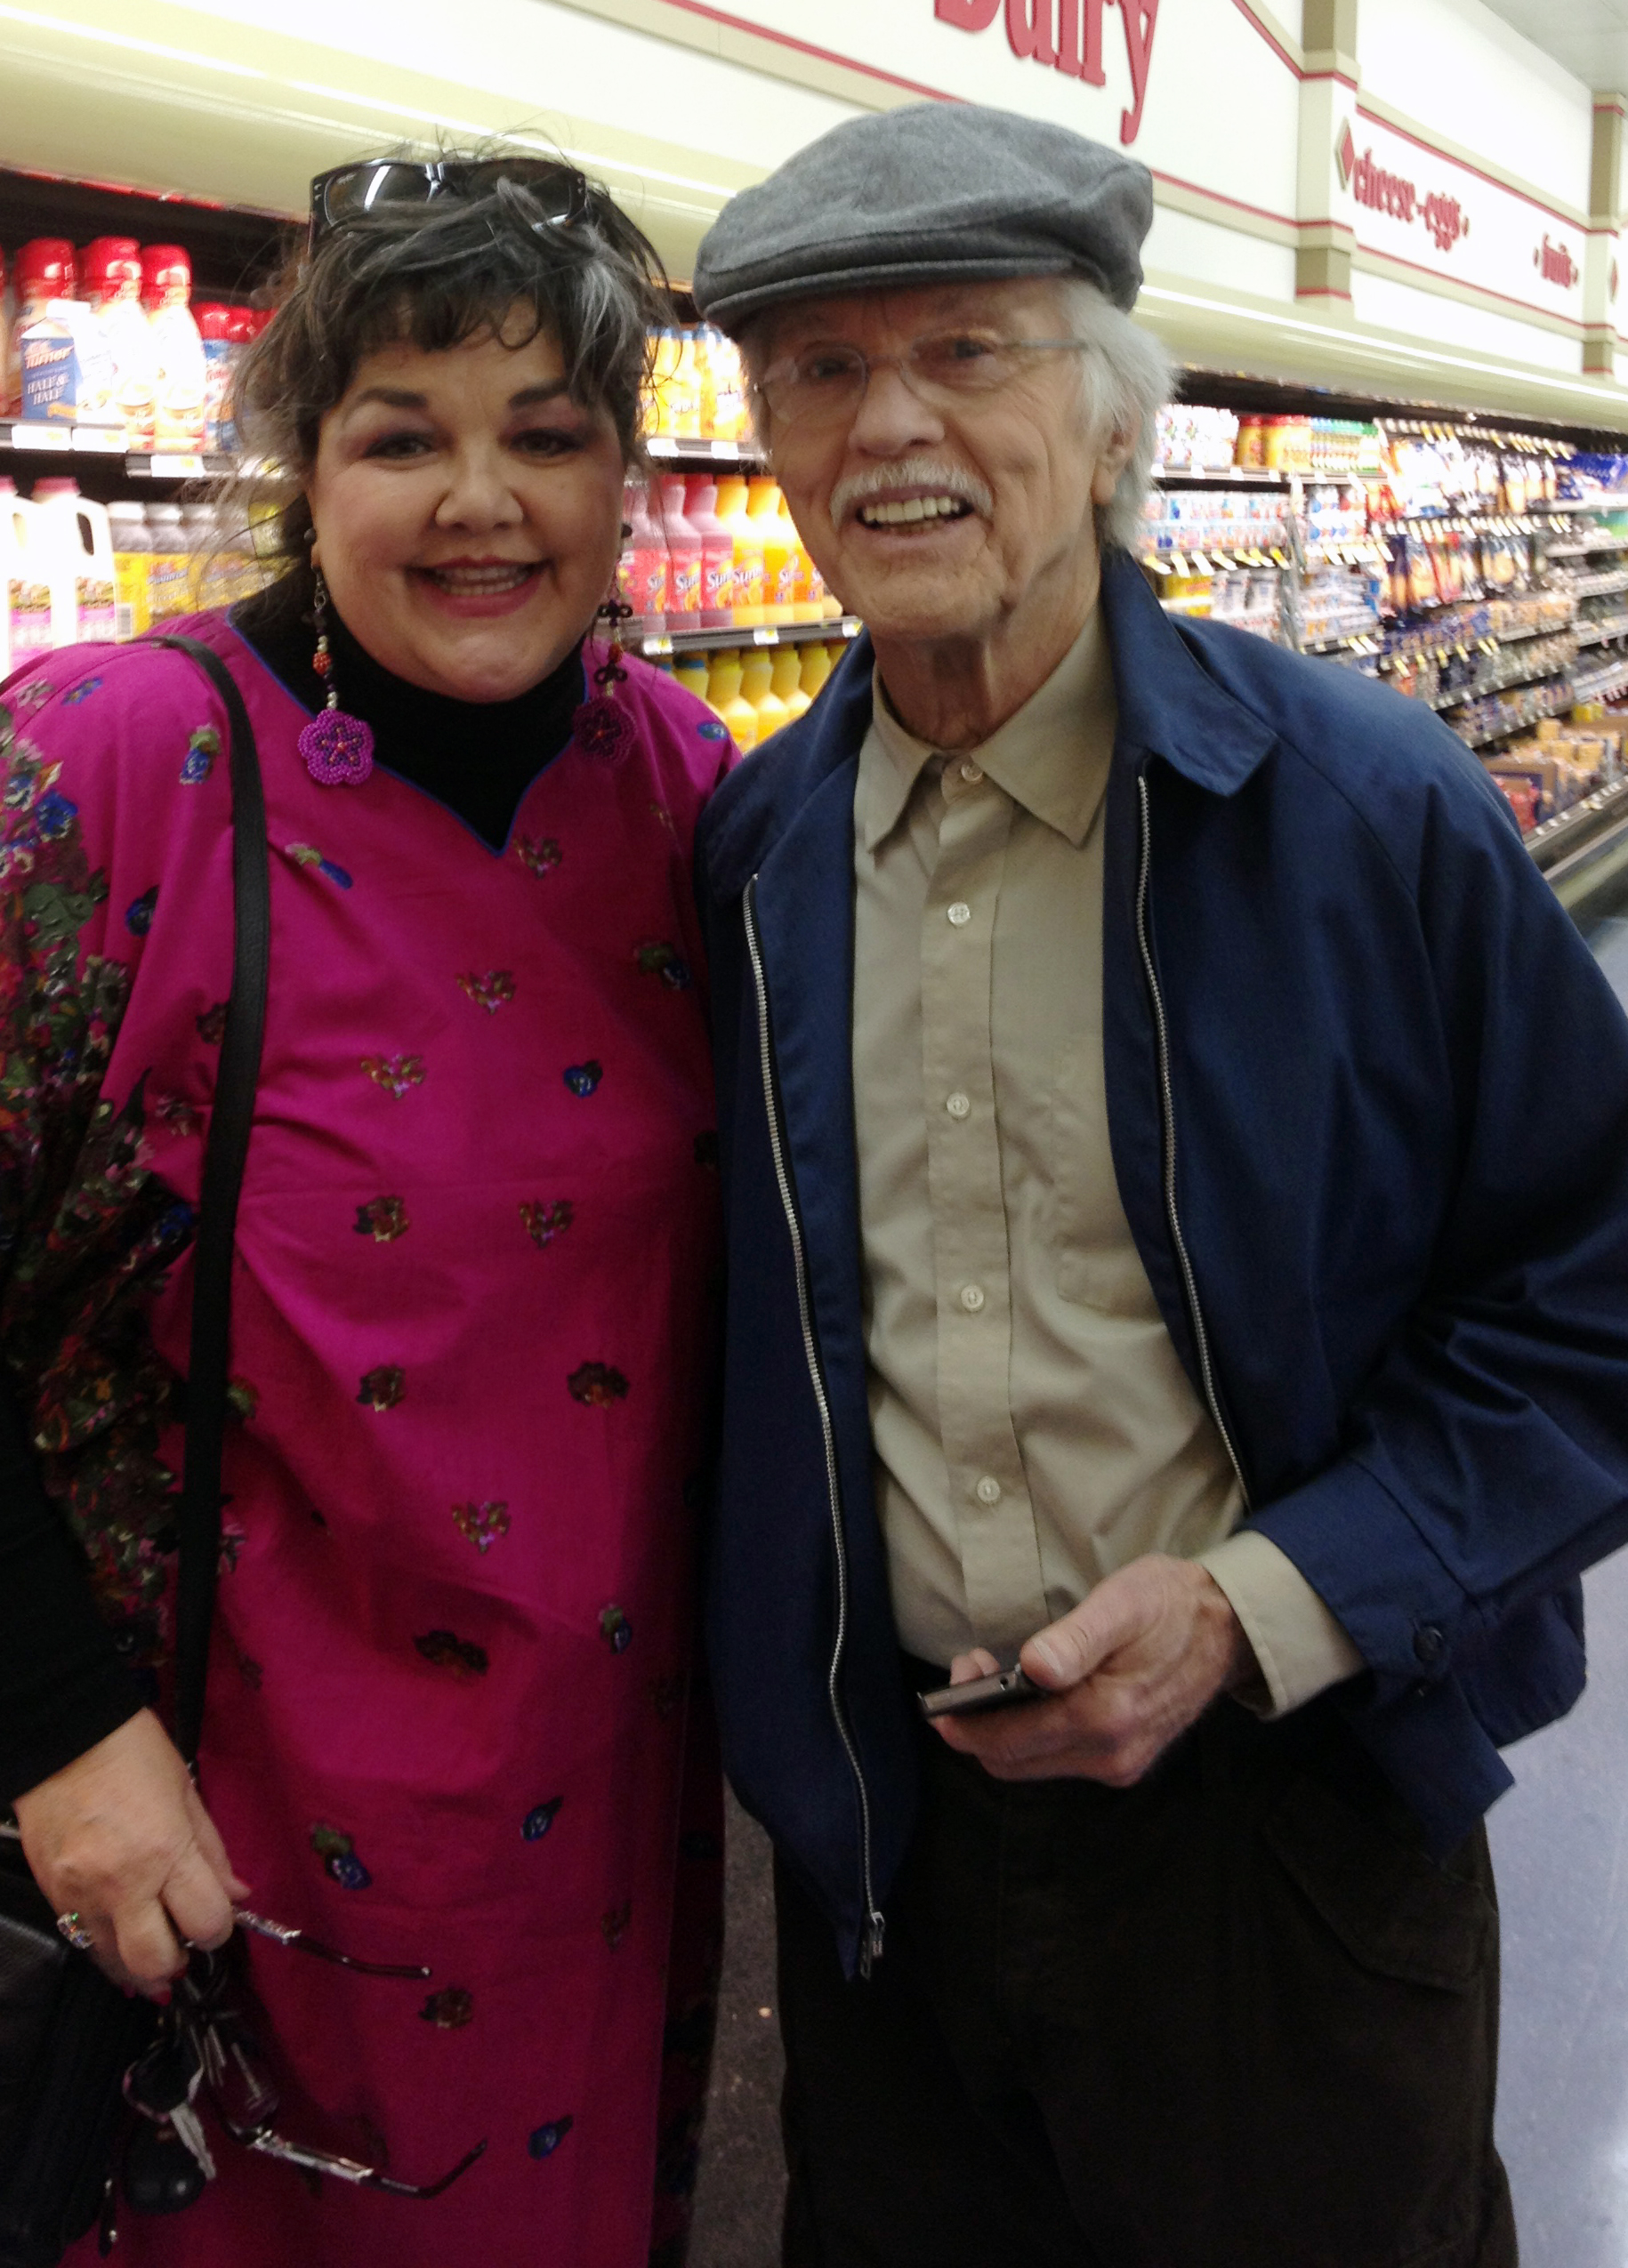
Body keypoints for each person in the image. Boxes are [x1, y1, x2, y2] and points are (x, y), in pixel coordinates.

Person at [689, 101, 1628, 2268]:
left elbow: (1592, 1292)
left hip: (1288, 1829)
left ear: (1113, 427)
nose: (889, 425)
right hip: (889, 1854)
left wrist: (1253, 1608)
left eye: (967, 353)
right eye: (819, 370)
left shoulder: (1362, 815)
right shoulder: (751, 859)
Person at [2, 155, 731, 2268]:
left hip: (591, 1833)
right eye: (403, 435)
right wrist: (55, 1733)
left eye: (551, 435)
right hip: (195, 1829)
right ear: (300, 470)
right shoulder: (110, 771)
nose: (481, 501)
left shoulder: (692, 789)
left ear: (626, 481)